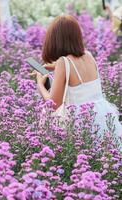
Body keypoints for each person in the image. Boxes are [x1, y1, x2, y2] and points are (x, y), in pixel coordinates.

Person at [35, 15, 122, 146]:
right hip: (101, 116)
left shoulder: (63, 62)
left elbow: (53, 105)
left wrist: (40, 84)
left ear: (54, 40)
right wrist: (57, 67)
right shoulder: (88, 55)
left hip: (79, 123)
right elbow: (77, 72)